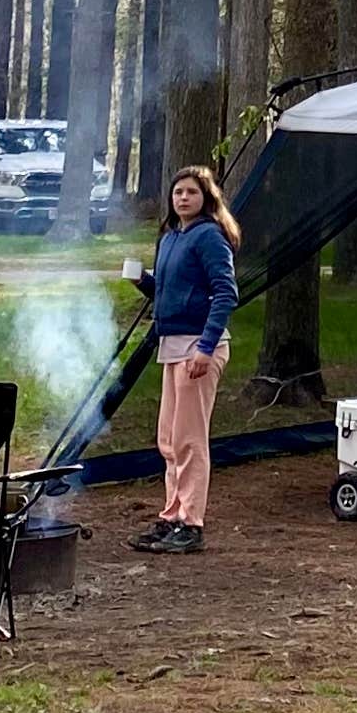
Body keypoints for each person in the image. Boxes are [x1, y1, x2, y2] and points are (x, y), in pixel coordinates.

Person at [138, 165, 239, 555]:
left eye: (191, 193)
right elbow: (169, 291)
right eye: (178, 192)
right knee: (169, 439)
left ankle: (191, 523)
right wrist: (143, 283)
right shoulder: (170, 239)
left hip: (199, 346)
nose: (183, 198)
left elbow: (225, 293)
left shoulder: (209, 237)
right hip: (173, 345)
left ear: (206, 198)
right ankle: (172, 515)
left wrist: (207, 347)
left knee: (190, 440)